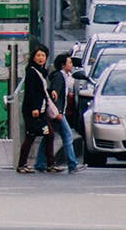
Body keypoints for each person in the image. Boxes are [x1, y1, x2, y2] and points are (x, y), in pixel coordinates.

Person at [16, 45, 53, 173]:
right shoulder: (32, 71)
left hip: (41, 110)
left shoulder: (42, 71)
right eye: (38, 55)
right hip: (33, 110)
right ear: (33, 57)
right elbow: (31, 92)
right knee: (30, 136)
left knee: (49, 135)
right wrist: (34, 108)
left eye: (43, 55)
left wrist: (51, 91)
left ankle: (49, 163)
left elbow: (42, 89)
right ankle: (22, 164)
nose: (41, 58)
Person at [45, 53, 82, 174]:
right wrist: (59, 112)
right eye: (69, 62)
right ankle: (72, 164)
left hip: (60, 112)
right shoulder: (59, 77)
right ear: (63, 65)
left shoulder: (64, 77)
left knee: (49, 136)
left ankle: (40, 163)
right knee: (68, 135)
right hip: (58, 113)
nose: (71, 65)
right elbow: (55, 95)